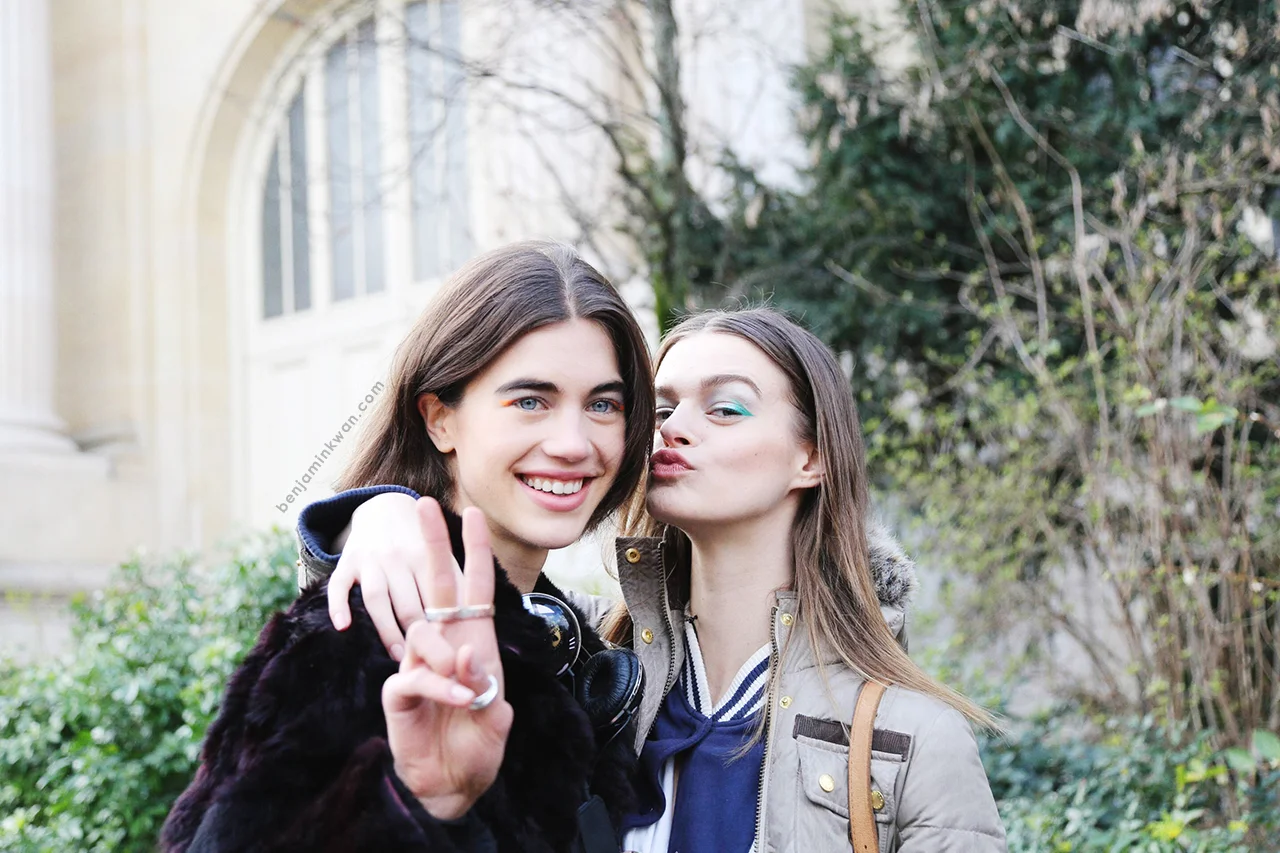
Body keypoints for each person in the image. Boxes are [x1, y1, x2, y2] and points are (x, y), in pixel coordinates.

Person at [304, 307, 1007, 852]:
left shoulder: (912, 735)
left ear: (811, 458)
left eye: (724, 407)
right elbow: (439, 599)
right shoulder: (585, 660)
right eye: (662, 408)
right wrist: (377, 512)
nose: (673, 430)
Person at [160, 241, 655, 852]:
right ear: (439, 419)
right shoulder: (372, 630)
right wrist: (427, 811)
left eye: (602, 404)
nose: (574, 443)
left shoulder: (570, 648)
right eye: (531, 401)